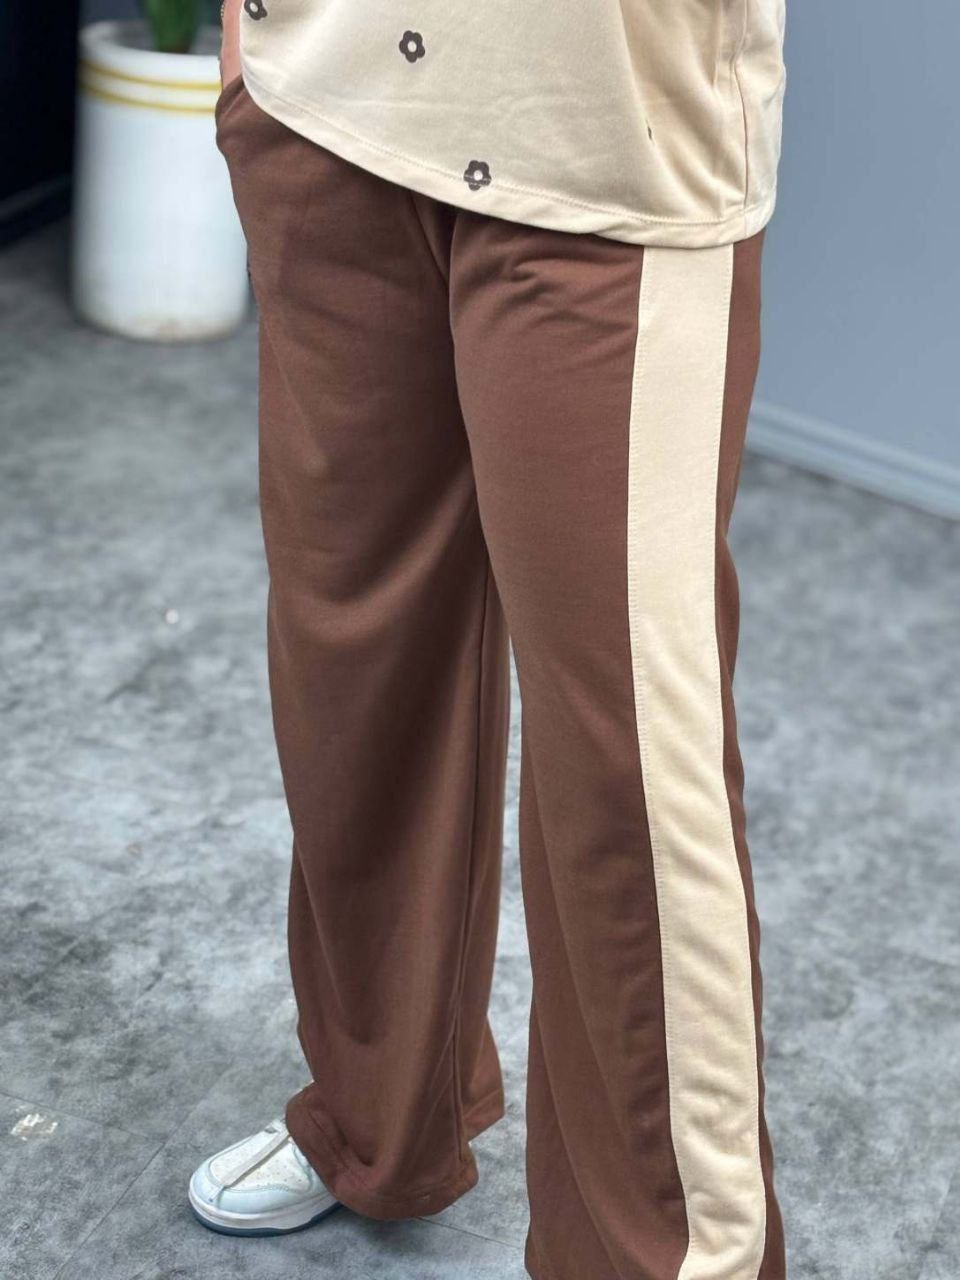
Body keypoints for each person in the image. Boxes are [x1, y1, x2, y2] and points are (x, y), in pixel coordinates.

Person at [188, 3, 788, 1278]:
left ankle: (665, 1259)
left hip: (606, 145)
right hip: (328, 100)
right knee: (354, 668)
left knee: (629, 765)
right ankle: (377, 1118)